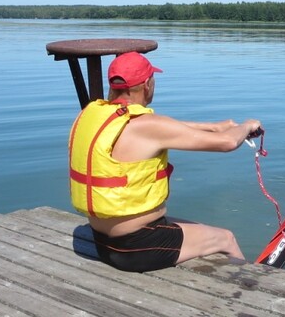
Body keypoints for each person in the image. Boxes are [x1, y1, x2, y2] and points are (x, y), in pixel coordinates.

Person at [68, 51, 262, 273]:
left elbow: (164, 128)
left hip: (103, 240)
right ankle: (248, 287)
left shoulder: (93, 115)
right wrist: (247, 125)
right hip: (137, 246)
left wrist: (215, 126)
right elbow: (227, 142)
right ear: (147, 84)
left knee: (197, 229)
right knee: (226, 238)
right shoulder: (148, 127)